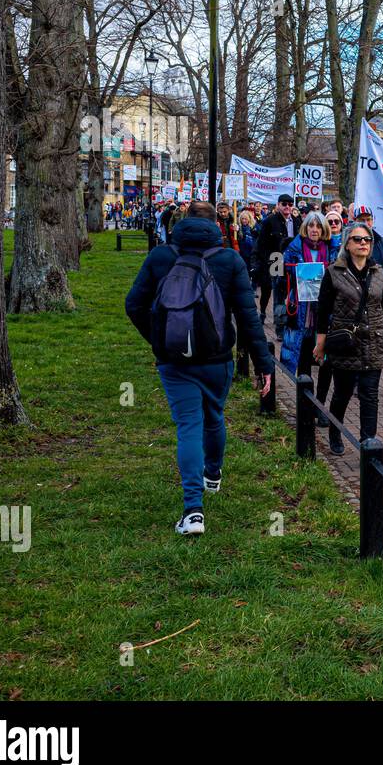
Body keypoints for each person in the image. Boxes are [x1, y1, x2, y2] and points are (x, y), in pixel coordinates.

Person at [125, 200, 276, 535]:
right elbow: (248, 318)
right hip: (217, 358)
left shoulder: (161, 256)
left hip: (174, 360)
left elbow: (134, 304)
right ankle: (213, 474)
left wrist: (158, 339)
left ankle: (193, 511)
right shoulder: (229, 260)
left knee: (188, 425)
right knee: (214, 416)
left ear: (184, 222)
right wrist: (264, 364)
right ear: (216, 226)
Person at [312, 222, 383, 455]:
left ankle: (367, 442)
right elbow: (323, 311)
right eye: (358, 239)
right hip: (346, 344)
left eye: (367, 240)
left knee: (370, 395)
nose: (363, 243)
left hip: (375, 342)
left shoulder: (378, 272)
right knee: (342, 393)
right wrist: (321, 343)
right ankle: (335, 431)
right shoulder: (334, 272)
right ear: (347, 244)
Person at [282, 211, 334, 387]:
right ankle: (303, 395)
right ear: (305, 227)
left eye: (318, 226)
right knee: (303, 349)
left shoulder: (330, 249)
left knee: (324, 351)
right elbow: (284, 273)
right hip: (301, 306)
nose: (314, 229)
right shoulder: (295, 248)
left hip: (323, 306)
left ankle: (319, 398)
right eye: (311, 225)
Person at [255, 194, 297, 339]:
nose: (287, 207)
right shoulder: (269, 221)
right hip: (276, 259)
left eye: (290, 204)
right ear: (278, 205)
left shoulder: (297, 221)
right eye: (284, 204)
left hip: (293, 261)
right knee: (278, 294)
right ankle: (279, 328)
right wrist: (268, 262)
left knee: (292, 293)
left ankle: (290, 322)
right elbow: (262, 244)